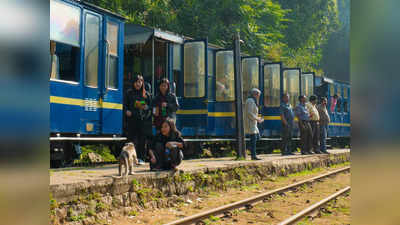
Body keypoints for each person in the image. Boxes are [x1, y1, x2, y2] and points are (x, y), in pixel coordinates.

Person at [125, 75, 153, 164]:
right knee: (131, 140)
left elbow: (151, 107)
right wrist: (126, 111)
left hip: (142, 120)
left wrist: (146, 108)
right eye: (136, 82)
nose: (138, 84)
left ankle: (141, 158)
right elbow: (125, 105)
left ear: (142, 83)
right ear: (133, 83)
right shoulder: (129, 93)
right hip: (132, 119)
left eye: (140, 82)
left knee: (142, 140)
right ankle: (129, 158)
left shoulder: (147, 95)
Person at [245, 88, 264, 160]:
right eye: (258, 95)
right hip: (251, 122)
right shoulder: (250, 101)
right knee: (253, 139)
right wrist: (257, 119)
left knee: (256, 137)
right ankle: (253, 155)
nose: (259, 96)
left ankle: (252, 153)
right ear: (254, 94)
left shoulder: (253, 100)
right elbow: (249, 113)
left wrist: (257, 118)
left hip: (253, 122)